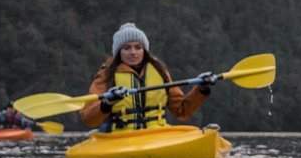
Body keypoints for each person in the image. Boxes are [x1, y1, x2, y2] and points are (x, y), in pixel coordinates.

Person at [78, 23, 213, 132]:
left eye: (138, 47)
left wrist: (201, 89)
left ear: (144, 50)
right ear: (119, 52)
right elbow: (89, 119)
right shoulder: (107, 74)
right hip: (120, 137)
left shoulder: (159, 70)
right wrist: (107, 103)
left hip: (156, 134)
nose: (133, 52)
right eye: (127, 48)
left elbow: (182, 111)